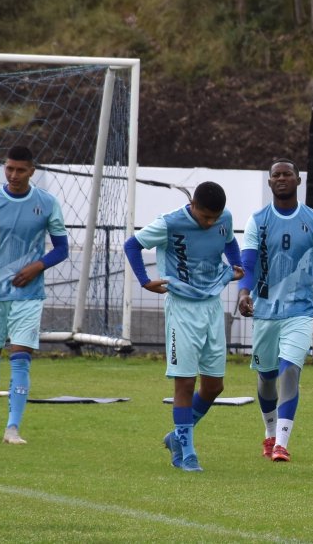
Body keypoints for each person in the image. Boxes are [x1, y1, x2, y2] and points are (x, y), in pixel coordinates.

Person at [124, 182, 244, 472]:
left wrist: (237, 264)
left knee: (215, 385)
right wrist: (144, 280)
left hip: (212, 305)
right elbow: (132, 245)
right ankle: (187, 452)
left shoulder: (223, 218)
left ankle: (177, 436)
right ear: (192, 204)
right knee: (185, 381)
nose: (210, 223)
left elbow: (229, 240)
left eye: (215, 218)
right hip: (181, 307)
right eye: (205, 217)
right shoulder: (169, 222)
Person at [0, 146, 69, 445]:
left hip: (28, 294)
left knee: (20, 357)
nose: (14, 175)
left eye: (20, 170)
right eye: (9, 169)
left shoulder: (46, 203)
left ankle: (13, 428)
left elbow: (62, 248)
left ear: (32, 170)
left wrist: (37, 266)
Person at [237, 159, 313, 463]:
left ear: (298, 180)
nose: (281, 178)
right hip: (265, 312)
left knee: (290, 370)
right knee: (266, 378)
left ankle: (281, 443)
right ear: (269, 182)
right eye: (275, 175)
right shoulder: (258, 220)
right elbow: (248, 263)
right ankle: (269, 433)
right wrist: (244, 291)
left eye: (287, 174)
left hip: (300, 312)